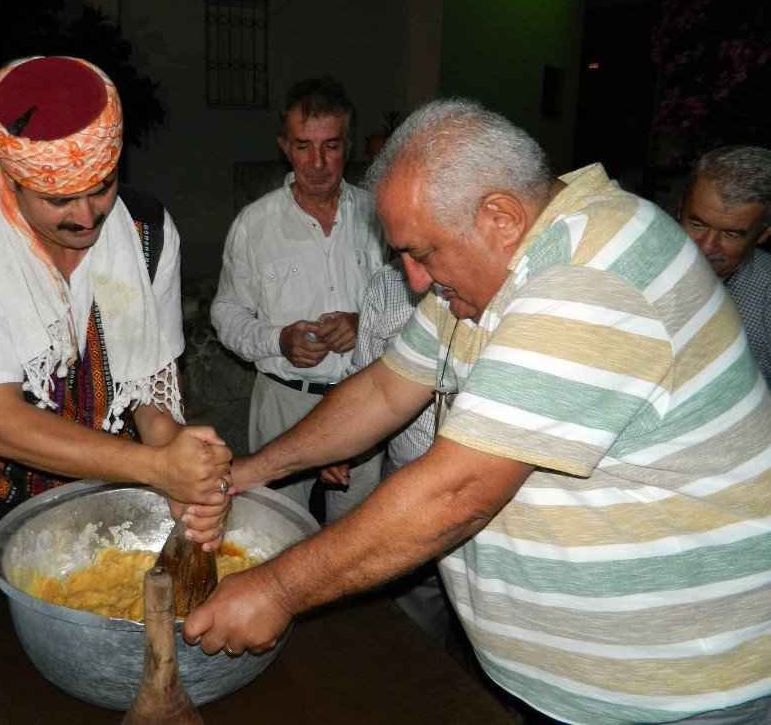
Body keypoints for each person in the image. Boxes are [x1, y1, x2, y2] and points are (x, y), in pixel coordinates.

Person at [186, 99, 771, 724]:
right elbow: (385, 391)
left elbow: (457, 492)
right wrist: (246, 474)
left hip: (673, 687)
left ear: (499, 217)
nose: (413, 280)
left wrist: (275, 590)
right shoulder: (495, 265)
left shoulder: (590, 279)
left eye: (422, 254)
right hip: (573, 682)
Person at [0, 56, 232, 546]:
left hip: (114, 498)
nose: (86, 217)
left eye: (102, 188)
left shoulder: (147, 231)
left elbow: (152, 393)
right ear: (11, 179)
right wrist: (157, 467)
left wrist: (182, 470)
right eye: (59, 199)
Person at [210, 76, 387, 523]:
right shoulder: (255, 223)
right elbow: (227, 314)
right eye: (304, 146)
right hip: (284, 403)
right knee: (275, 533)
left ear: (349, 146)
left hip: (364, 399)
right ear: (285, 146)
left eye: (331, 146)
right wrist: (278, 339)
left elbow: (417, 307)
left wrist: (364, 323)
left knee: (355, 540)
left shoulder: (380, 216)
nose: (319, 162)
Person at [348, 258, 450, 647]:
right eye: (402, 249)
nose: (416, 276)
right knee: (412, 618)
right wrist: (342, 447)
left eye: (424, 250)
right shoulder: (387, 284)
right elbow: (367, 381)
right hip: (406, 477)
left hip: (487, 490)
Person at [678, 145, 771, 388]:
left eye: (731, 235)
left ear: (764, 233)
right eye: (697, 225)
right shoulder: (633, 263)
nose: (706, 247)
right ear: (680, 209)